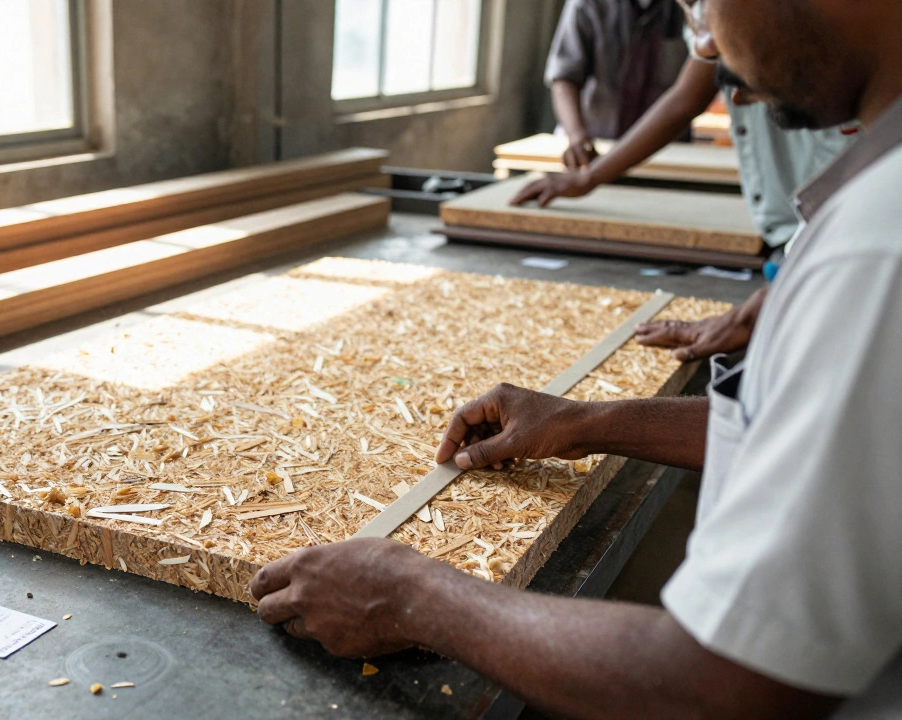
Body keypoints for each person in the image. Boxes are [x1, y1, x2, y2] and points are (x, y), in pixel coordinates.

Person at [249, 0, 902, 716]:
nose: (706, 44)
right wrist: (583, 421)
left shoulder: (875, 249)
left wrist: (410, 595)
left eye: (706, 1)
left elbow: (716, 686)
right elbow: (820, 443)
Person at [523, 10, 855, 361]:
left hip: (827, 229)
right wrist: (589, 175)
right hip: (796, 232)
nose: (707, 47)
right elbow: (683, 98)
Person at [544, 0, 688, 170]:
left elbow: (688, 94)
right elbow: (564, 77)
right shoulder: (589, 4)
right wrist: (576, 134)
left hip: (666, 155)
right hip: (596, 146)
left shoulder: (688, 7)